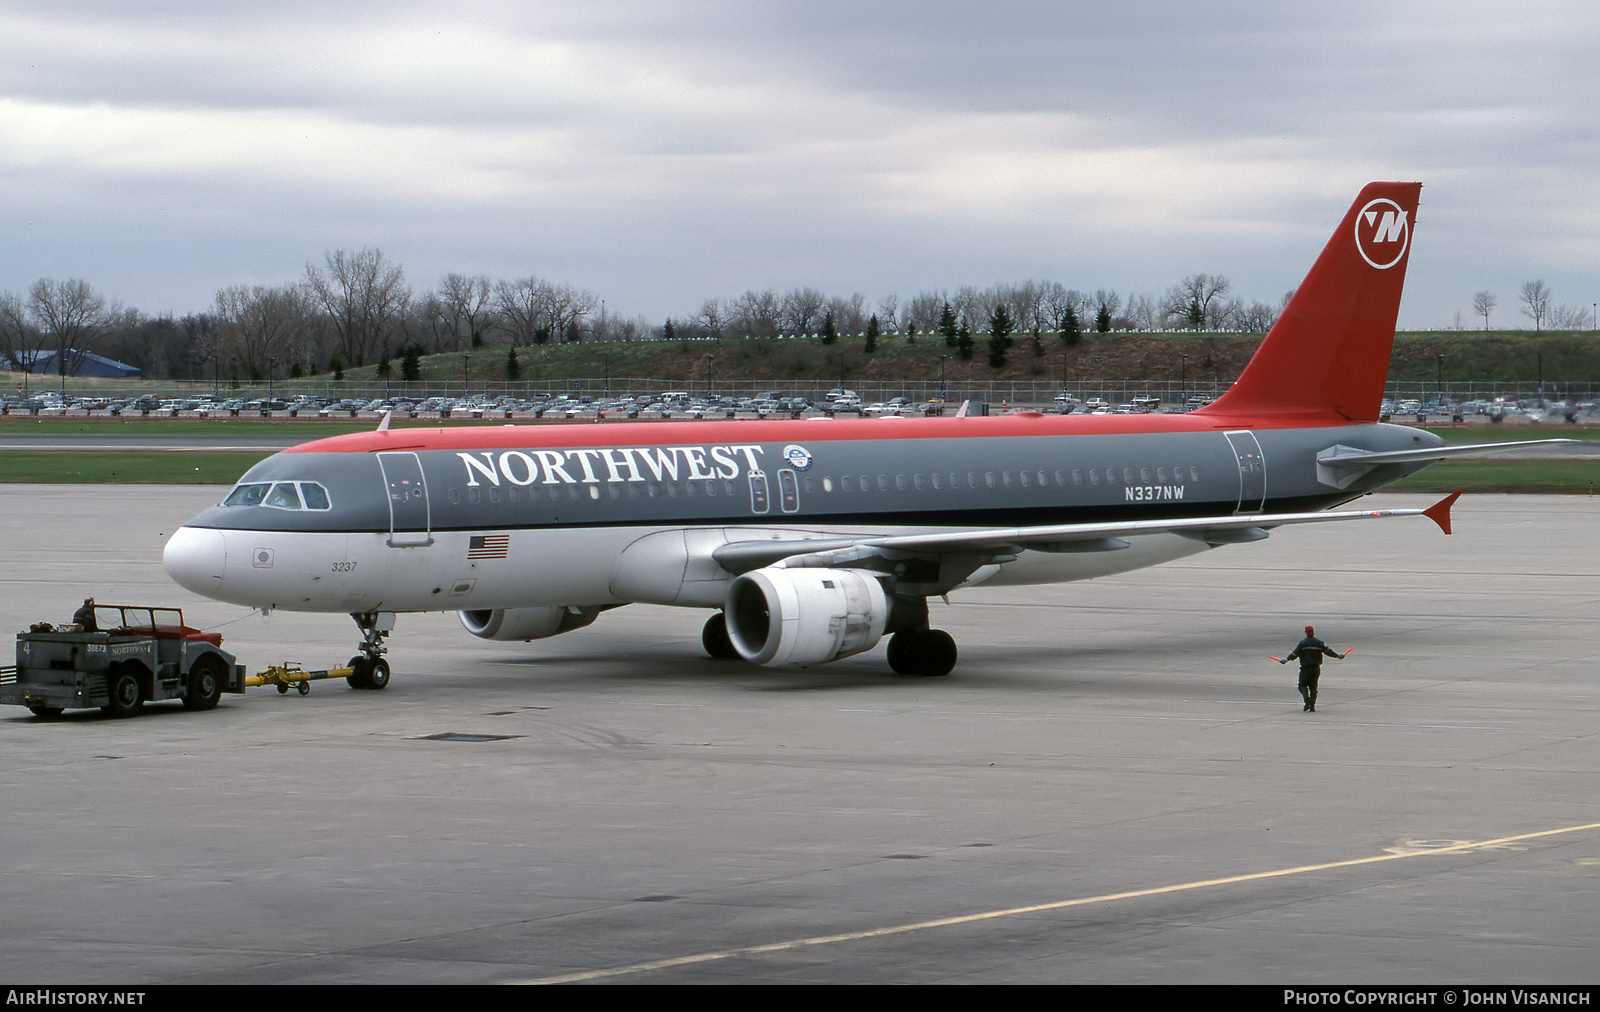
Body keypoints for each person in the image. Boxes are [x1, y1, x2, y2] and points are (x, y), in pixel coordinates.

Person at [1281, 625, 1341, 711]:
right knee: (1313, 687)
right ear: (1313, 632)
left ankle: (1307, 699)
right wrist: (1337, 656)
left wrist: (1287, 659)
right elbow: (1328, 651)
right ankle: (1312, 706)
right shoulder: (1319, 643)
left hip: (1305, 669)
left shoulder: (1303, 643)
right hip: (1316, 668)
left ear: (1306, 633)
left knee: (1302, 685)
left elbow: (1295, 654)